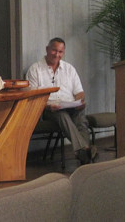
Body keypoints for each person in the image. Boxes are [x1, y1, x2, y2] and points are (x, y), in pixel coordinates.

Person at [26, 37, 96, 165]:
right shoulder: (35, 69)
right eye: (54, 51)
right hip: (49, 110)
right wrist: (48, 107)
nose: (57, 55)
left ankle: (84, 154)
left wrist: (79, 102)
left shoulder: (69, 69)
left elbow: (79, 92)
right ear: (47, 49)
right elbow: (33, 98)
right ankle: (85, 150)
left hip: (71, 106)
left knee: (80, 117)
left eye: (60, 52)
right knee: (62, 115)